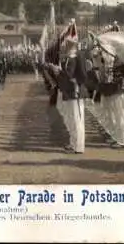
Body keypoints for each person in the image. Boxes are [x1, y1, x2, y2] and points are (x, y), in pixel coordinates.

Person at [51, 19, 86, 154]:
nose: (65, 43)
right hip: (68, 91)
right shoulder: (68, 57)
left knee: (77, 120)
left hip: (75, 92)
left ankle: (79, 146)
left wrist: (76, 83)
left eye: (68, 41)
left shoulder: (78, 56)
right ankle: (73, 143)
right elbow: (66, 74)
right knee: (71, 119)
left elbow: (82, 75)